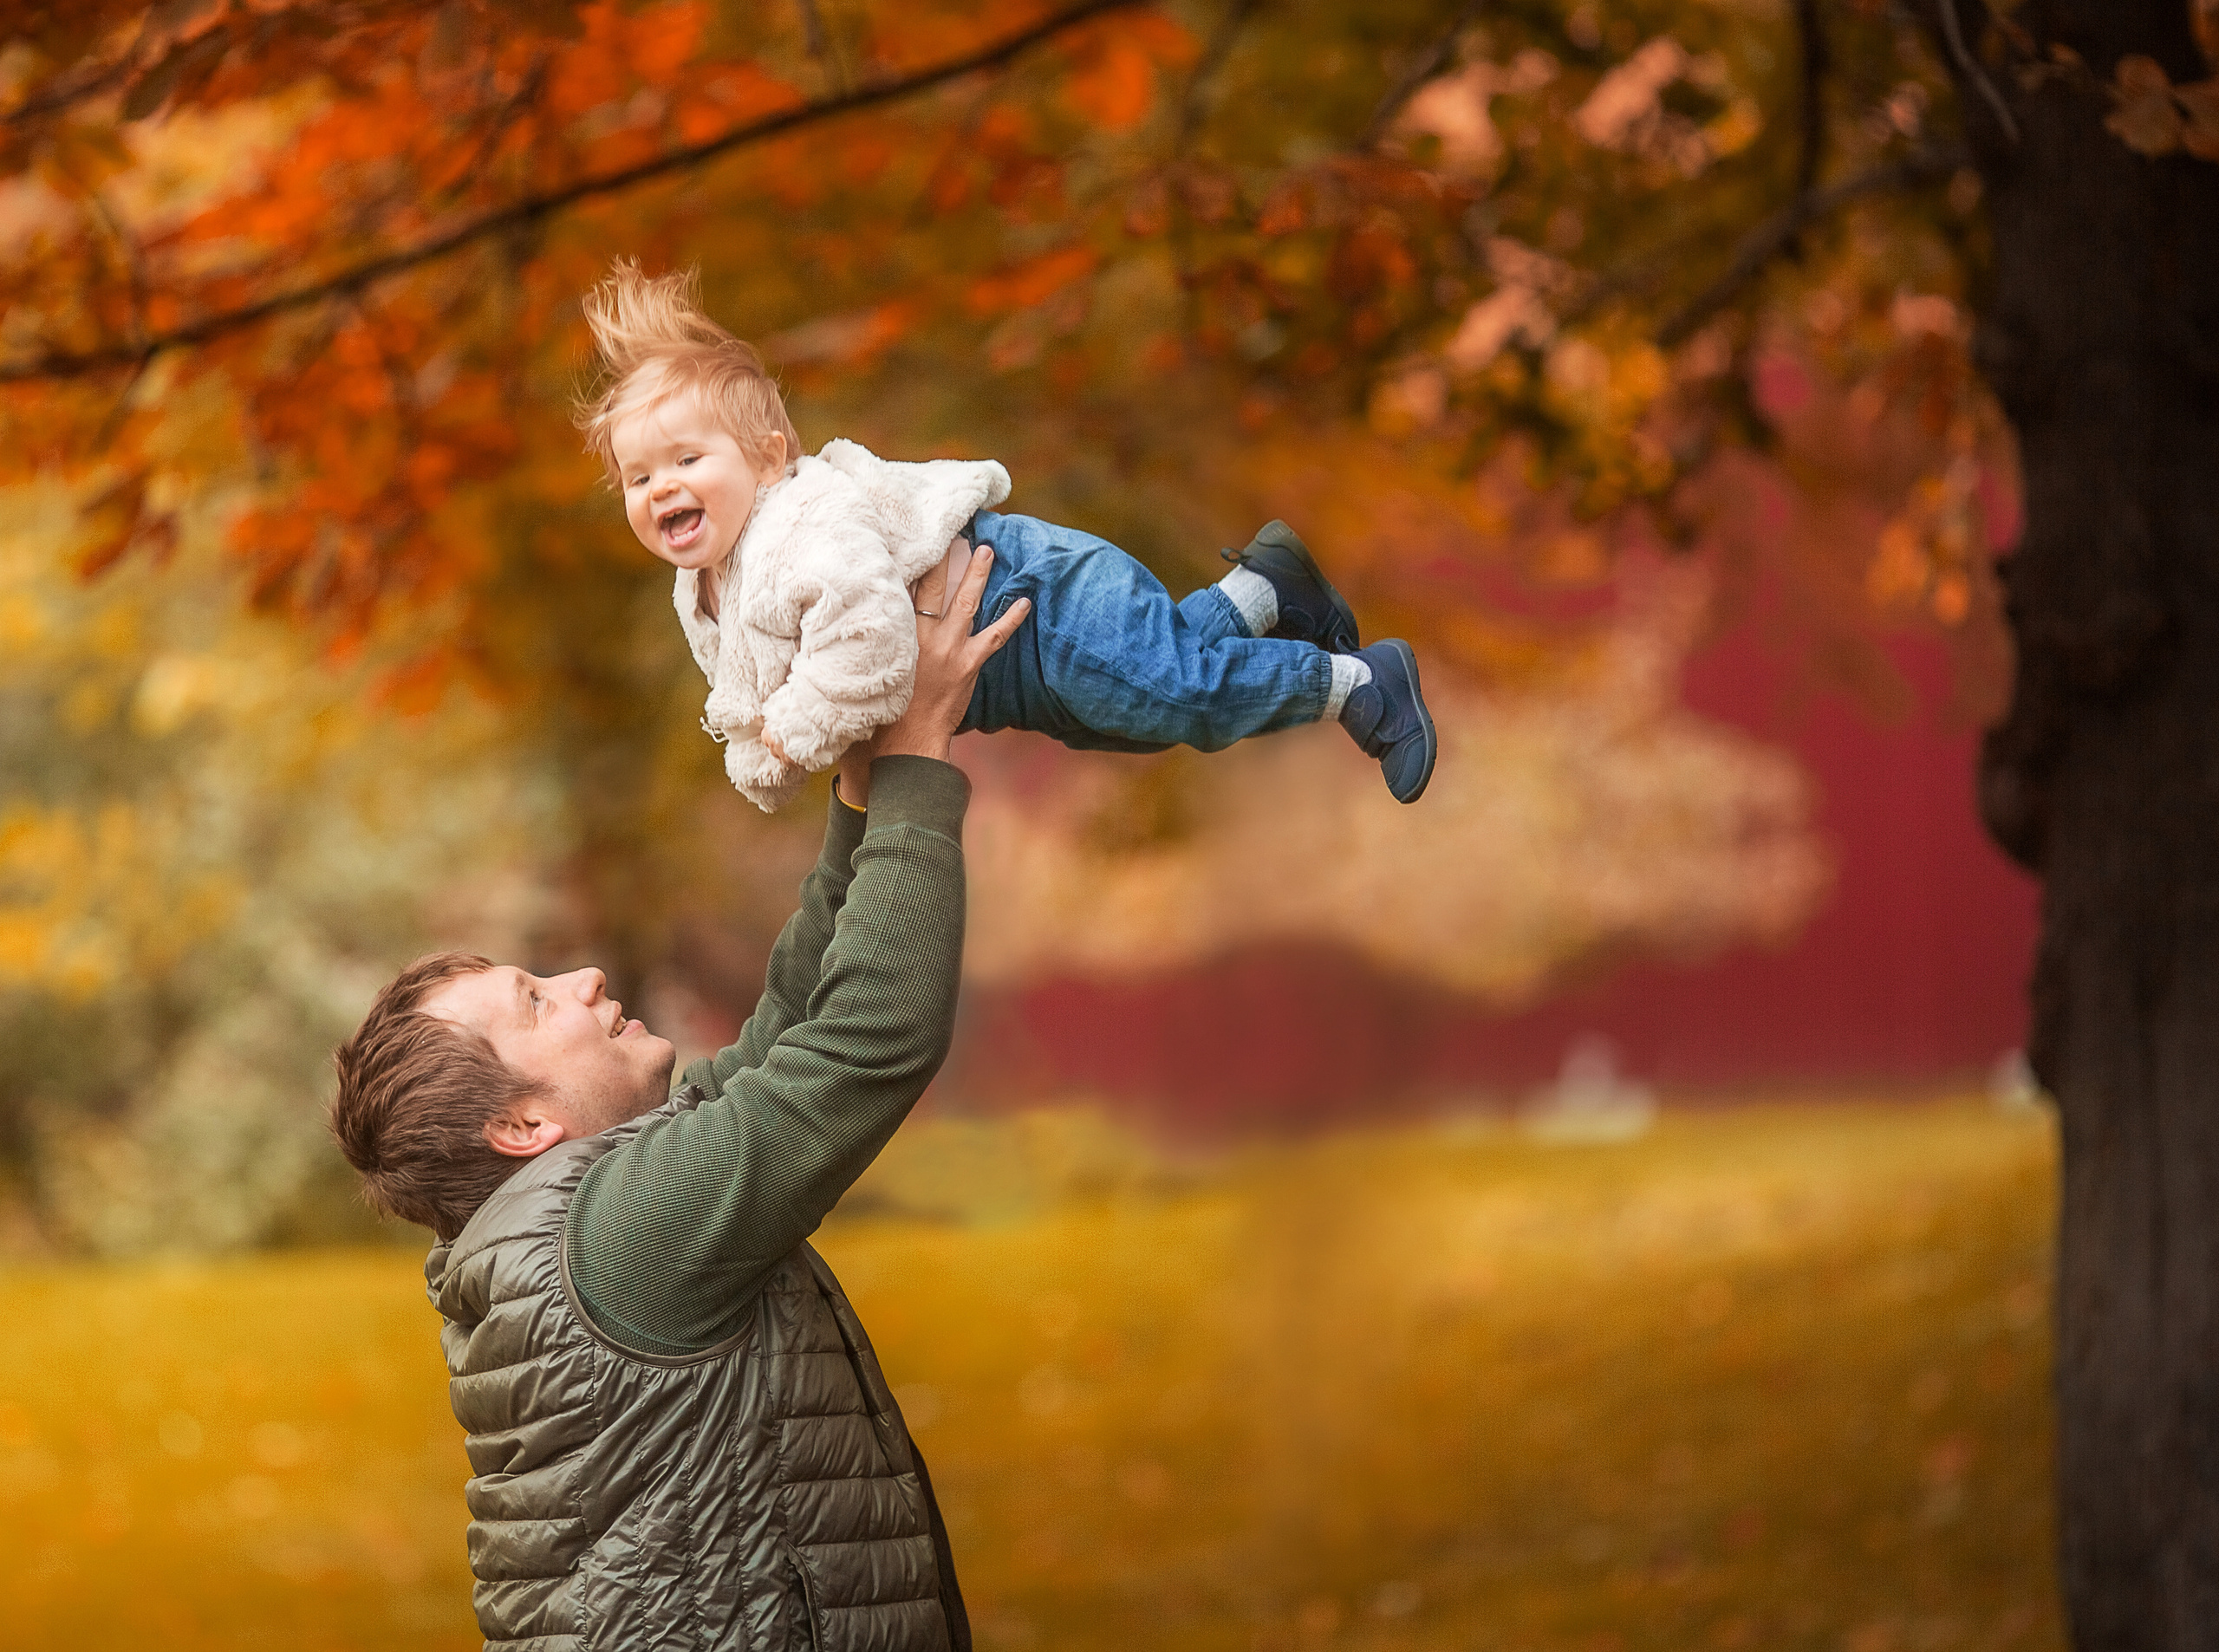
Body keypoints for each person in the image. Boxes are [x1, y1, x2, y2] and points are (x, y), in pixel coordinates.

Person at [329, 542, 1027, 1652]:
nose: (584, 979)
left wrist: (856, 786)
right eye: (535, 999)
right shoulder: (618, 1232)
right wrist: (919, 763)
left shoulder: (569, 1215)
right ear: (521, 1126)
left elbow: (786, 1040)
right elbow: (864, 1044)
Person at [578, 260, 1438, 809]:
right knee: (1143, 711)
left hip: (1035, 599)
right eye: (639, 476)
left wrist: (791, 735)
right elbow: (747, 696)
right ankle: (1265, 589)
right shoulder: (705, 591)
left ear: (768, 459)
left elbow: (868, 642)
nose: (663, 488)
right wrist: (761, 752)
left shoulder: (804, 521)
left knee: (1174, 693)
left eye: (687, 458)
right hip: (1003, 667)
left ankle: (1359, 682)